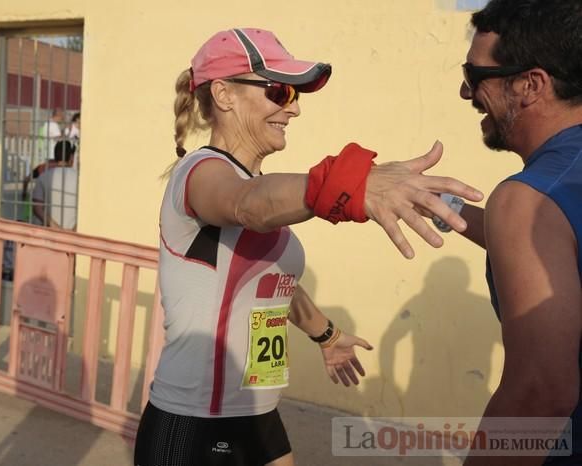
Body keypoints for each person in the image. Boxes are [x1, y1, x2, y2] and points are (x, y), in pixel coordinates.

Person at [134, 28, 483, 466]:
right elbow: (248, 207)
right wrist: (351, 182)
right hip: (193, 422)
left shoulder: (254, 184)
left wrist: (327, 334)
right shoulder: (200, 172)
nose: (294, 108)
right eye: (279, 91)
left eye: (296, 95)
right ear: (223, 94)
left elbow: (272, 281)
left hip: (256, 413)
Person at [434, 1, 582, 464]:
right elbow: (560, 243)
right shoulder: (553, 194)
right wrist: (444, 205)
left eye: (475, 75)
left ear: (530, 84)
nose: (465, 91)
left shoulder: (527, 198)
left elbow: (540, 392)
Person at [32, 140, 78, 230]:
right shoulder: (79, 178)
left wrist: (56, 228)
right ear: (71, 157)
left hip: (49, 233)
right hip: (73, 235)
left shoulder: (43, 177)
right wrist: (72, 230)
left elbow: (37, 208)